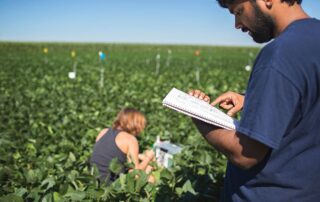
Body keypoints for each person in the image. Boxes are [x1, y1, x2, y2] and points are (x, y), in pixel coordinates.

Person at [189, 0, 320, 201]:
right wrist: (253, 99)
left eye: (239, 11)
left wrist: (197, 115)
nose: (237, 24)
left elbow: (246, 154)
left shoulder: (280, 54)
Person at [90, 108, 154, 184]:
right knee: (151, 179)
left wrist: (139, 156)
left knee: (149, 168)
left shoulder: (104, 131)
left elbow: (110, 154)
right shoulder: (130, 139)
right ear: (135, 123)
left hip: (94, 182)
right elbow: (135, 175)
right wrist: (148, 158)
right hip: (111, 187)